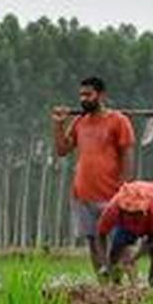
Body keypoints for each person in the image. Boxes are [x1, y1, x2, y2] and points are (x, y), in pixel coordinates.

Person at [52, 76, 136, 282]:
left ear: (101, 95)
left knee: (120, 242)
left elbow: (127, 155)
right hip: (83, 193)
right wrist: (58, 126)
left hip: (112, 193)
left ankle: (132, 286)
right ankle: (104, 285)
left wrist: (125, 188)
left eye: (88, 95)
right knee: (93, 241)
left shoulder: (118, 121)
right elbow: (62, 150)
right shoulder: (80, 122)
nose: (83, 99)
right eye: (81, 95)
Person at [96, 180, 153, 286]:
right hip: (125, 225)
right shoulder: (114, 207)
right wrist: (105, 263)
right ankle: (115, 285)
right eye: (129, 213)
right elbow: (101, 234)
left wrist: (134, 257)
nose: (133, 216)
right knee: (115, 252)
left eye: (137, 213)